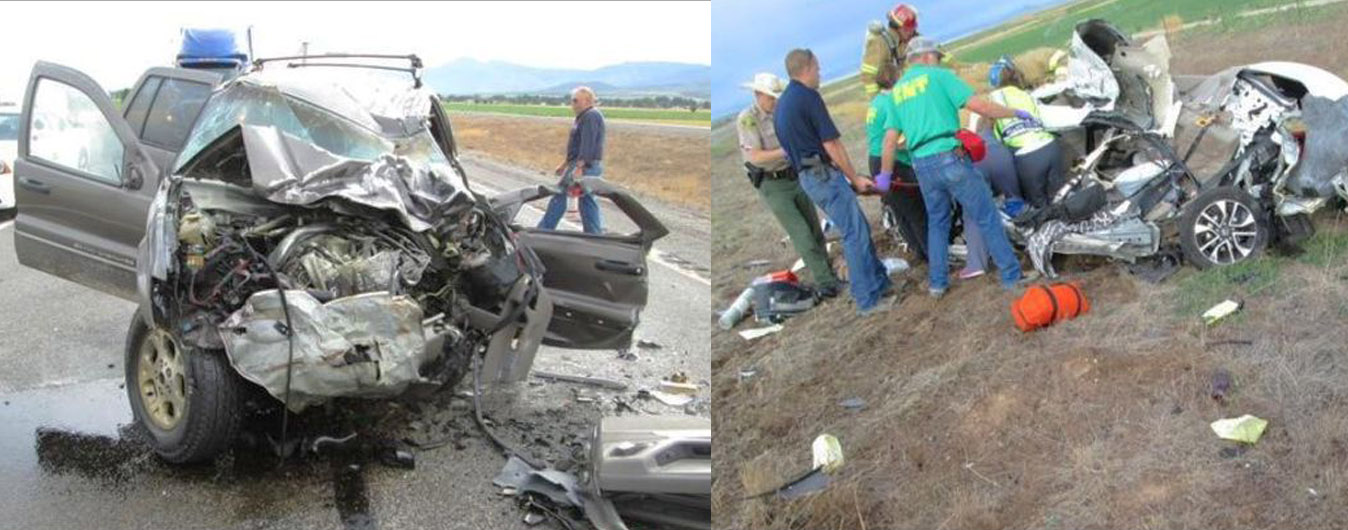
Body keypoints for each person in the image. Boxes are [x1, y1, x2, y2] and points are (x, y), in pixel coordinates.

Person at [881, 37, 1036, 297]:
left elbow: (889, 140)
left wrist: (885, 176)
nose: (939, 62)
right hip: (949, 156)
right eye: (937, 57)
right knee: (986, 215)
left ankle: (937, 284)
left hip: (922, 164)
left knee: (937, 222)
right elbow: (981, 106)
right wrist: (1015, 113)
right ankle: (1012, 275)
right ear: (927, 57)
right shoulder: (939, 77)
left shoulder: (897, 92)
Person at [774, 48, 895, 315]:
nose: (820, 73)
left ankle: (880, 282)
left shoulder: (782, 105)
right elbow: (832, 143)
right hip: (823, 175)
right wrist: (854, 178)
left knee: (858, 228)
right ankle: (867, 300)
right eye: (817, 68)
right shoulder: (808, 97)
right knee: (854, 234)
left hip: (809, 176)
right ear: (806, 68)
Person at [736, 72, 842, 298]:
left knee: (814, 228)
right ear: (757, 95)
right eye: (770, 98)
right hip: (772, 184)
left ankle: (826, 271)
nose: (774, 102)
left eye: (776, 97)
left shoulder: (782, 112)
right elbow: (755, 156)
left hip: (795, 175)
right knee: (801, 234)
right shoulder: (748, 120)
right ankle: (825, 282)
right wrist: (787, 150)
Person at [866, 63, 928, 264]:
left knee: (900, 211)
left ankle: (918, 251)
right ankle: (932, 254)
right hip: (892, 162)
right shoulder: (891, 103)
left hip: (875, 160)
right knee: (916, 209)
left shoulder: (876, 102)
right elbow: (897, 142)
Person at [987, 56, 1066, 208]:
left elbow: (998, 138)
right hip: (1050, 146)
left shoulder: (992, 100)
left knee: (1039, 206)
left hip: (1027, 157)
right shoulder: (1025, 94)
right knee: (1060, 197)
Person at [538, 86, 605, 234]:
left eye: (575, 101)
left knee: (560, 194)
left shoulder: (591, 116)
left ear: (587, 101)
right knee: (587, 200)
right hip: (581, 164)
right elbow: (576, 145)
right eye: (572, 101)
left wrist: (580, 167)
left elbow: (588, 143)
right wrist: (565, 164)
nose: (572, 104)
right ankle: (594, 234)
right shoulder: (583, 116)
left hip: (586, 166)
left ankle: (544, 230)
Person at [860, 3, 919, 98]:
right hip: (891, 98)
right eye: (908, 29)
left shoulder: (912, 39)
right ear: (900, 28)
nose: (912, 32)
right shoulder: (880, 43)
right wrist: (879, 101)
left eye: (912, 29)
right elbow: (868, 76)